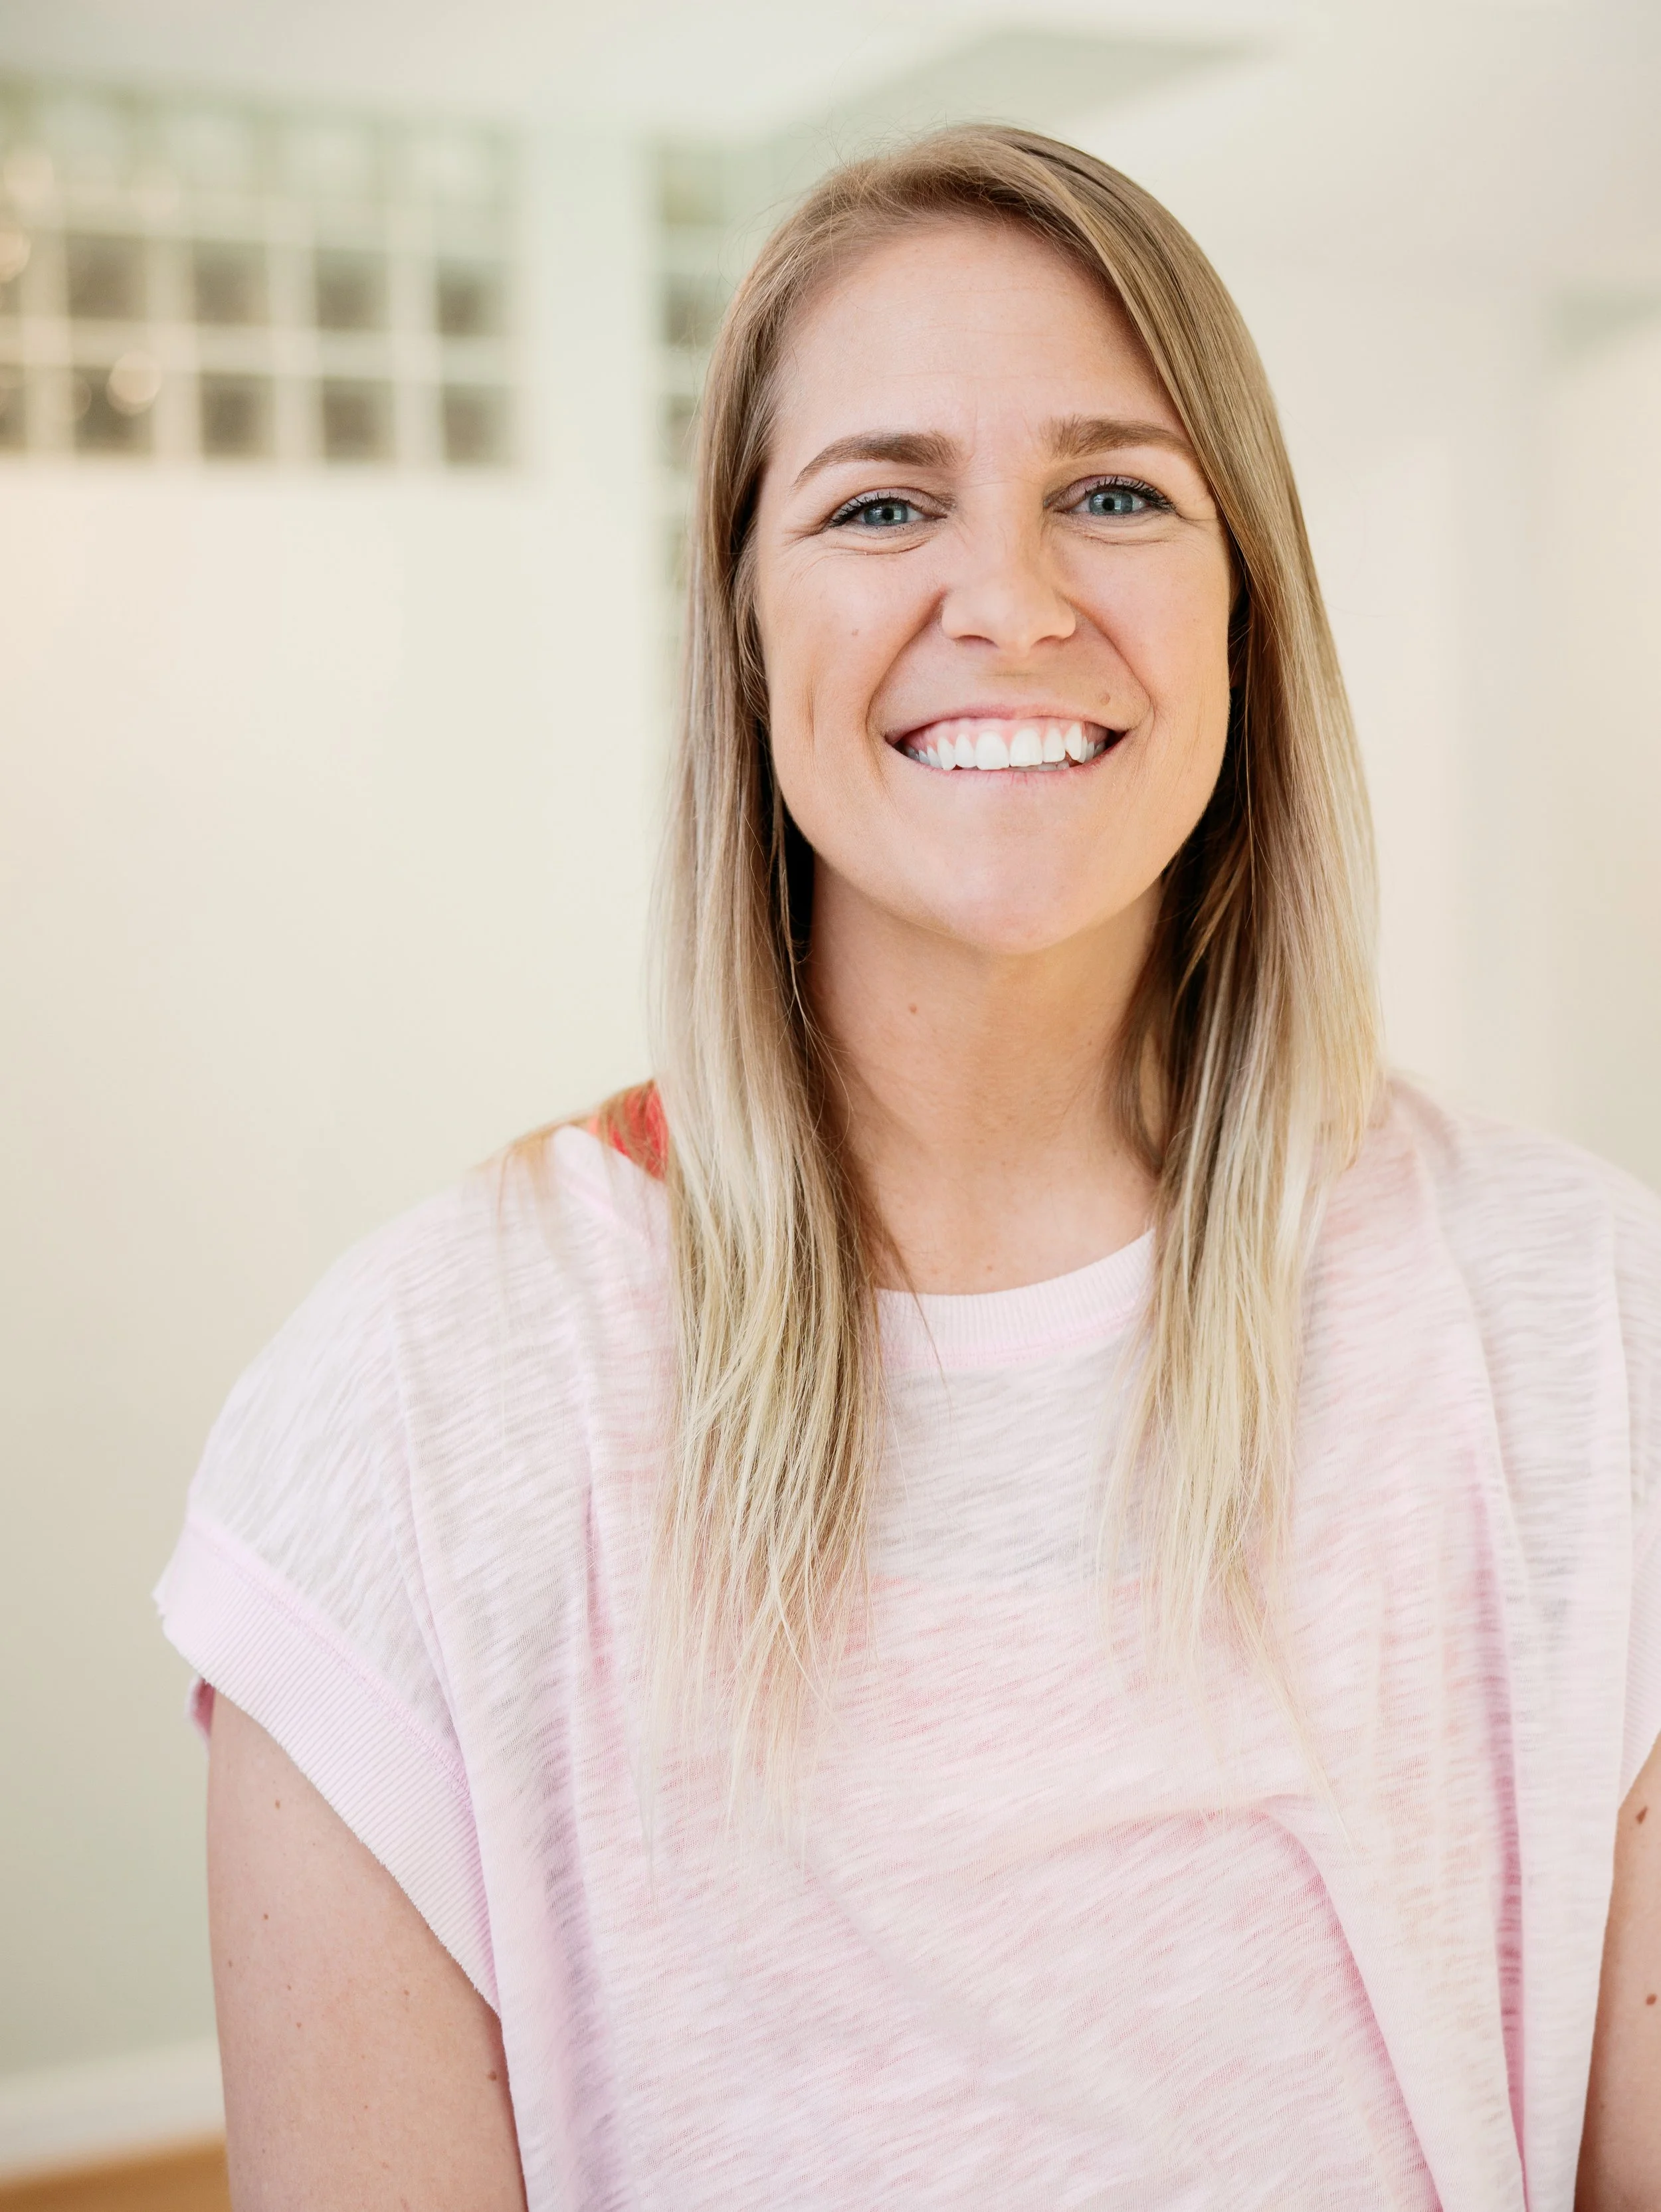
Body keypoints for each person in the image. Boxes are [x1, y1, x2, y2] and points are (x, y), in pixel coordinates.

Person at [156, 127, 1661, 2209]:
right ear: (745, 633)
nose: (1013, 600)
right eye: (880, 505)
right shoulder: (413, 1406)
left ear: (1248, 605)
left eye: (1114, 492)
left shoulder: (1586, 1323)